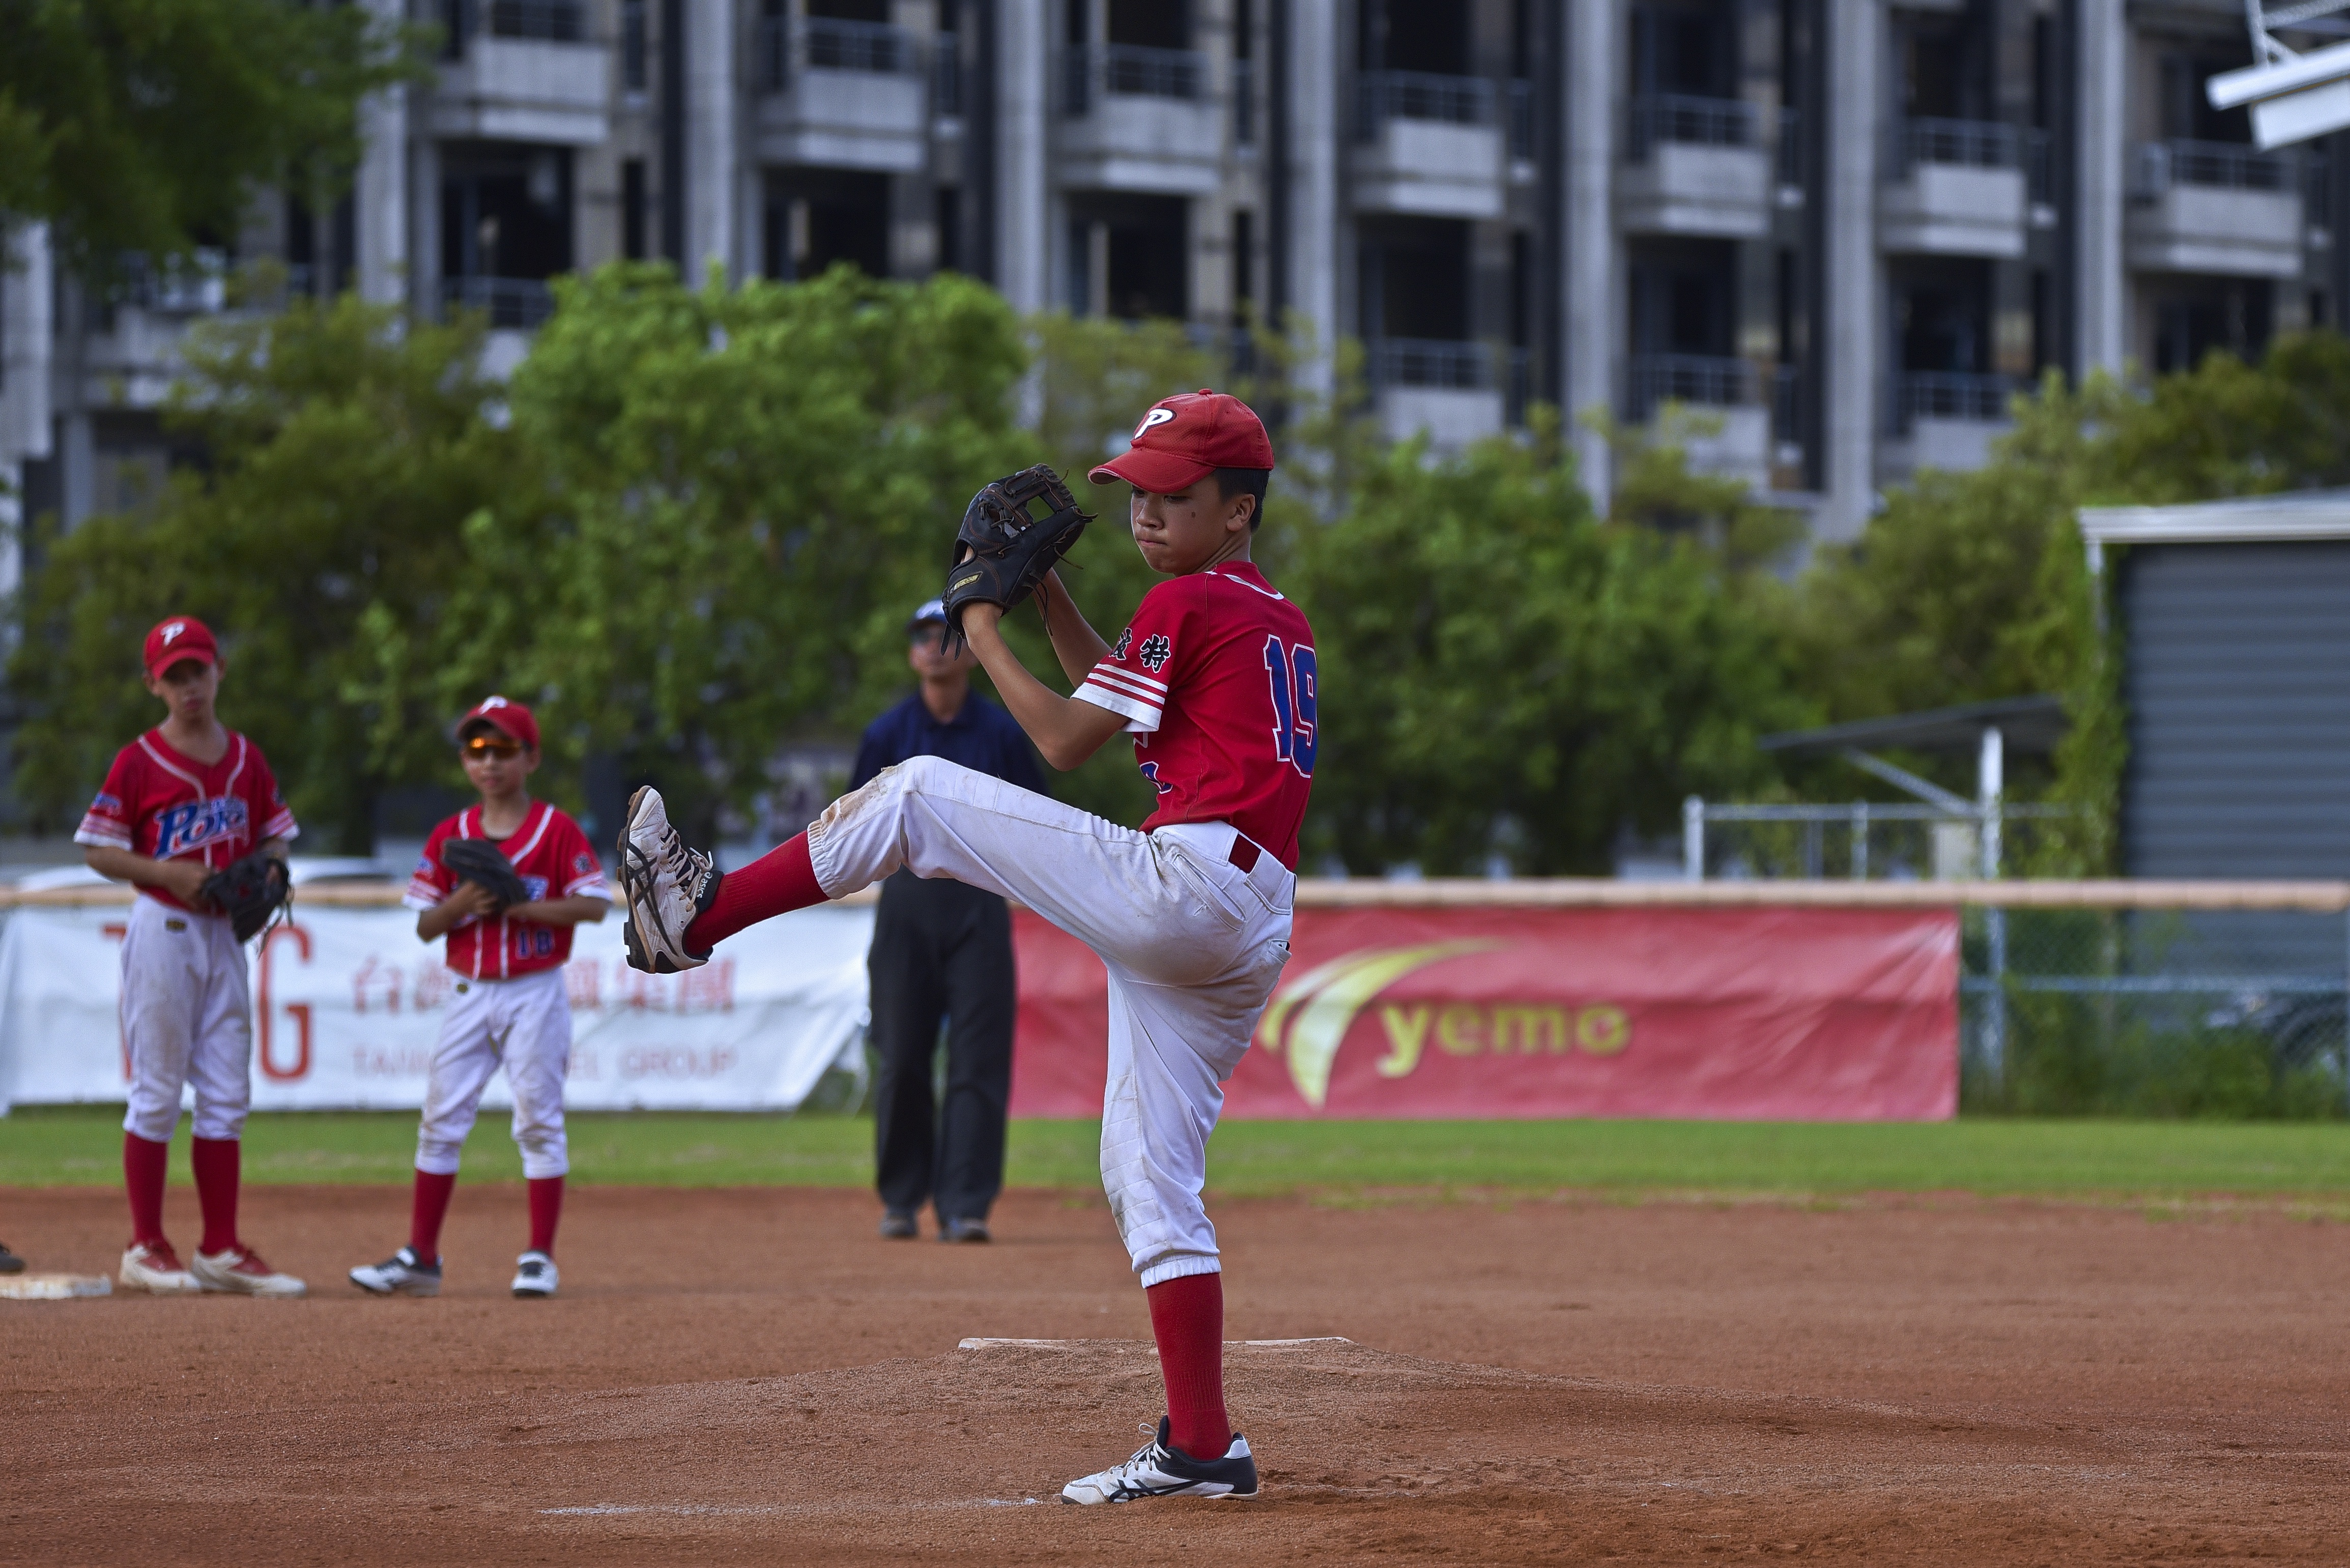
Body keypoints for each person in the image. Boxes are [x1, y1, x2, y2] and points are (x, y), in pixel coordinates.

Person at [615, 390, 1310, 1505]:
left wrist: (979, 621)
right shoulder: (1260, 610)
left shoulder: (1187, 599)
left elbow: (1062, 737)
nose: (1144, 511)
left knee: (921, 794)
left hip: (1186, 886)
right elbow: (1125, 708)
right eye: (1135, 490)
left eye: (1174, 495)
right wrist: (1042, 588)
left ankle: (692, 913)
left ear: (1237, 512)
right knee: (1149, 1176)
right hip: (1245, 915)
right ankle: (1201, 1446)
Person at [349, 698, 611, 1300]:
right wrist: (468, 899)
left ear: (531, 757)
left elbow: (594, 904)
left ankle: (540, 1256)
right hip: (469, 991)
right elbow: (424, 925)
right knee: (440, 1122)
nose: (488, 761)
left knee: (539, 1120)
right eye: (476, 750)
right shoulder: (452, 835)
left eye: (502, 749)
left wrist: (521, 906)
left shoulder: (555, 830)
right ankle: (421, 1257)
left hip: (534, 990)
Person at [77, 616, 306, 1297]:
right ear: (154, 684)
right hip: (165, 928)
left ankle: (219, 1248)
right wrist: (166, 871)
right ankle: (144, 1245)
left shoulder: (246, 758)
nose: (188, 686)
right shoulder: (139, 760)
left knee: (227, 1093)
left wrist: (269, 871)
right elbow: (96, 847)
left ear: (219, 671)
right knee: (156, 1090)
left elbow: (275, 839)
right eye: (173, 675)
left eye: (196, 671)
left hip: (224, 938)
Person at [854, 599, 1048, 1244]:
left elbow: (1035, 816)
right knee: (902, 1054)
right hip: (906, 906)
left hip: (979, 904)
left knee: (977, 1059)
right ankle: (902, 1199)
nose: (936, 645)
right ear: (911, 651)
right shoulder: (885, 735)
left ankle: (966, 1203)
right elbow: (855, 824)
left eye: (949, 634)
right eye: (923, 635)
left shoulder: (998, 734)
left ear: (969, 648)